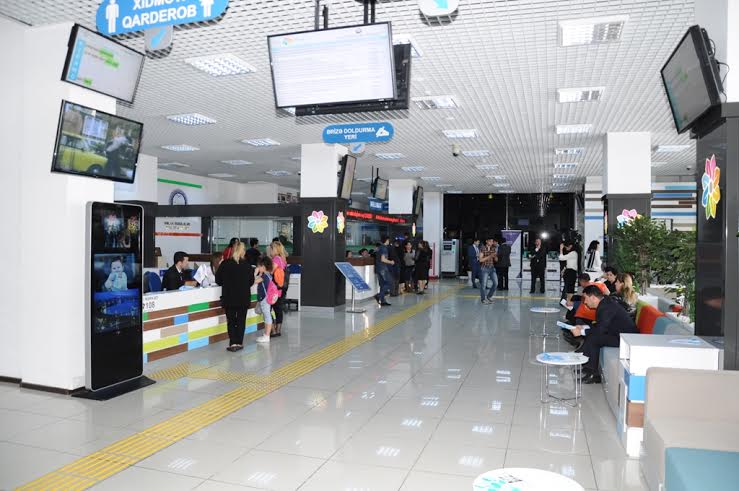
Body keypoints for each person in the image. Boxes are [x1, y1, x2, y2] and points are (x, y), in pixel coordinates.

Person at [575, 285, 639, 384]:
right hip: (617, 334)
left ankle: (594, 375)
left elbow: (600, 330)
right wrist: (584, 327)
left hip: (626, 339)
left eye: (586, 298)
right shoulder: (605, 302)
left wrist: (582, 332)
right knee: (592, 336)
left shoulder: (606, 307)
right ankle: (588, 367)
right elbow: (601, 324)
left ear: (593, 298)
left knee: (594, 339)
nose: (585, 302)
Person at [215, 243, 254, 352]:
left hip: (229, 297)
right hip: (243, 298)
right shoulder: (247, 265)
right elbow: (251, 282)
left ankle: (232, 343)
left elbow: (218, 280)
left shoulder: (225, 264)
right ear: (242, 251)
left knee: (231, 321)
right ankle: (239, 342)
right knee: (241, 321)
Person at [269, 241, 288, 337]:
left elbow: (271, 271)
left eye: (271, 249)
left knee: (268, 309)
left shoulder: (276, 259)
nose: (269, 251)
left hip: (275, 289)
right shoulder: (283, 259)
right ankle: (278, 330)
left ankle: (273, 330)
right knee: (278, 309)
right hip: (281, 288)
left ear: (274, 249)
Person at [255, 256, 276, 343]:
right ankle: (266, 335)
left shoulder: (264, 276)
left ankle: (267, 336)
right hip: (266, 298)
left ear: (263, 267)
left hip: (265, 299)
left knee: (267, 316)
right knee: (266, 315)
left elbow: (253, 281)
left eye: (258, 266)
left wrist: (255, 273)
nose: (257, 268)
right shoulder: (268, 274)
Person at [374, 235, 395, 306]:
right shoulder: (384, 248)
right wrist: (391, 262)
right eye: (388, 240)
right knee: (390, 283)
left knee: (382, 285)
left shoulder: (379, 248)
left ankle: (382, 300)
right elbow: (383, 259)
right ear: (387, 240)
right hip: (383, 268)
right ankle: (379, 295)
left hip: (378, 269)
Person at [479, 237, 498, 304]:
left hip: (492, 268)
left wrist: (495, 256)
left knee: (496, 283)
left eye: (492, 241)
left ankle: (489, 296)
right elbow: (480, 260)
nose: (491, 243)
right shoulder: (483, 248)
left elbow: (496, 260)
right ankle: (483, 299)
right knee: (483, 285)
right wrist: (490, 256)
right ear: (486, 241)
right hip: (485, 268)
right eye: (490, 241)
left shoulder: (493, 248)